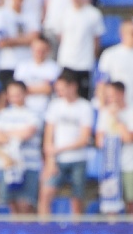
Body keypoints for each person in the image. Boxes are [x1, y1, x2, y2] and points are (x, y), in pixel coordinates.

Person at [38, 71, 94, 215]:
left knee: (77, 200)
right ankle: (44, 227)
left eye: (62, 89)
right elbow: (48, 136)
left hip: (78, 159)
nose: (60, 93)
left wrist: (59, 149)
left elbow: (84, 139)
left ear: (73, 86)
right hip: (57, 160)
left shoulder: (85, 107)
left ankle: (77, 228)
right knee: (46, 194)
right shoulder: (55, 105)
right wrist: (50, 159)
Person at [0, 80, 42, 213]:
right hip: (8, 166)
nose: (15, 98)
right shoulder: (3, 114)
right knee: (11, 205)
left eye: (18, 94)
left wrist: (6, 133)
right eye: (11, 94)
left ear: (25, 94)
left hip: (29, 165)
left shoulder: (33, 113)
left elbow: (27, 133)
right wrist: (14, 134)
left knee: (27, 205)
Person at [95, 80, 133, 214]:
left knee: (131, 203)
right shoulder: (104, 113)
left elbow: (130, 138)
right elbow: (99, 141)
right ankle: (113, 228)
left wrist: (117, 118)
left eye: (112, 95)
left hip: (130, 164)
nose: (109, 99)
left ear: (121, 93)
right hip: (110, 166)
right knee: (110, 205)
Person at [48, 0, 103, 98]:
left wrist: (91, 56)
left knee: (83, 96)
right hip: (67, 61)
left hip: (84, 63)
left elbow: (97, 40)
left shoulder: (93, 14)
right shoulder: (65, 13)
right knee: (64, 96)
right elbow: (60, 36)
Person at [0, 0, 39, 105]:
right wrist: (25, 39)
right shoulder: (1, 13)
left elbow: (35, 37)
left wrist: (12, 40)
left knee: (24, 96)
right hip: (7, 62)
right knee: (6, 94)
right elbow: (1, 41)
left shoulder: (30, 14)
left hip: (26, 62)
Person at [97, 18, 133, 114]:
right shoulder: (109, 54)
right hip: (116, 107)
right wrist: (102, 106)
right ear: (123, 34)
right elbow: (102, 82)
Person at [13, 34, 60, 118]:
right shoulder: (22, 66)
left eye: (42, 50)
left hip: (46, 110)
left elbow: (50, 89)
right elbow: (16, 89)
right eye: (37, 49)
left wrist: (26, 89)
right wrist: (42, 88)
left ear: (48, 50)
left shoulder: (55, 68)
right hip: (23, 110)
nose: (39, 52)